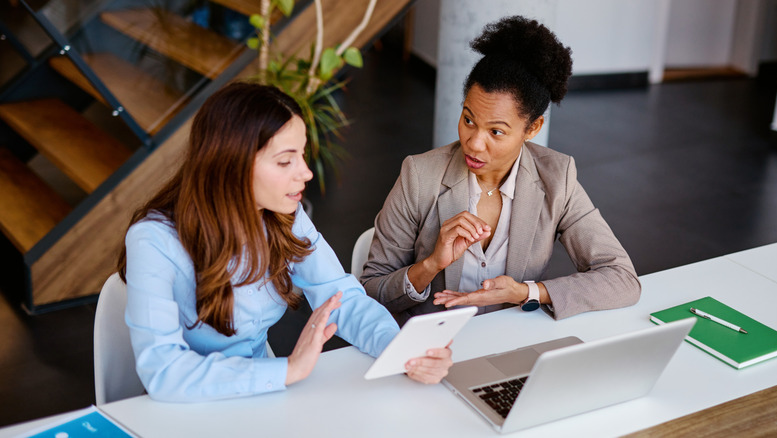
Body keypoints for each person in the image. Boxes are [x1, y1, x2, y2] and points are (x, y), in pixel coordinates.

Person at [117, 82, 451, 402]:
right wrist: (287, 370)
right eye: (284, 161)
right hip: (194, 406)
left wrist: (401, 350)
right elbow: (164, 371)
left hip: (265, 394)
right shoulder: (154, 240)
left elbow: (342, 298)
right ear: (231, 163)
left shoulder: (283, 214)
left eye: (302, 155)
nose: (305, 173)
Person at [361, 16, 640, 325]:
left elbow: (621, 279)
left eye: (496, 132)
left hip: (508, 344)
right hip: (427, 347)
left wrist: (526, 292)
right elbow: (370, 289)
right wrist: (430, 265)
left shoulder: (557, 178)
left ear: (532, 128)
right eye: (468, 120)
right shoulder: (420, 176)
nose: (474, 144)